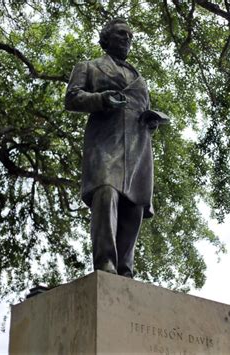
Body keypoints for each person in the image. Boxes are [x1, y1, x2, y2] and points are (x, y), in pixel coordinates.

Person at [65, 18, 166, 277]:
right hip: (105, 141)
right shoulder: (88, 67)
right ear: (106, 38)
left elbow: (141, 109)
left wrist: (150, 121)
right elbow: (72, 97)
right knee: (106, 193)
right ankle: (105, 263)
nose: (127, 40)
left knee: (135, 206)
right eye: (122, 34)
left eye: (130, 36)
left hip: (137, 146)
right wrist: (101, 99)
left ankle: (125, 268)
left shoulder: (138, 78)